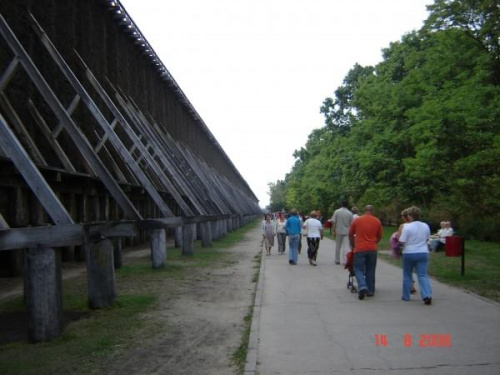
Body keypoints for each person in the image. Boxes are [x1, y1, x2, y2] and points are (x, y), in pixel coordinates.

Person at [398, 206, 432, 305]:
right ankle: (427, 295)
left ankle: (406, 295)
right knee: (422, 274)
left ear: (409, 216)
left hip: (409, 252)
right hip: (423, 252)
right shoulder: (425, 225)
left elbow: (402, 241)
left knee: (407, 274)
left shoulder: (407, 227)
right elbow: (427, 239)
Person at [348, 205, 383, 300]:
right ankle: (370, 290)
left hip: (360, 248)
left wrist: (353, 244)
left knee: (358, 268)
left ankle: (362, 286)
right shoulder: (377, 221)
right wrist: (374, 242)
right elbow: (379, 235)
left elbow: (351, 234)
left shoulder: (357, 220)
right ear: (373, 211)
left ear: (364, 211)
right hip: (372, 248)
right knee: (370, 269)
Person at [331, 200, 353, 265]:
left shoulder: (337, 211)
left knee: (338, 246)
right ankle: (345, 261)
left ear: (341, 204)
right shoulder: (349, 213)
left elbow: (334, 222)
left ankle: (337, 260)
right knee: (346, 246)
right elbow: (352, 223)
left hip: (338, 231)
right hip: (347, 231)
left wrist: (334, 230)